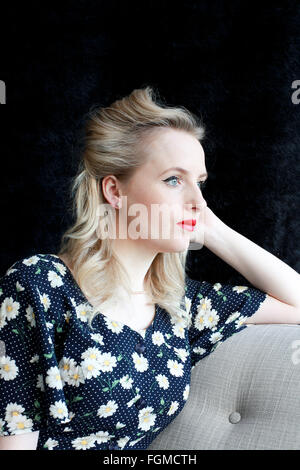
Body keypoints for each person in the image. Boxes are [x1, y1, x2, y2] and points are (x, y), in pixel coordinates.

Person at [1, 87, 299, 450]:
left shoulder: (182, 306)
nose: (197, 200)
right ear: (114, 191)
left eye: (200, 183)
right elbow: (16, 434)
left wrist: (210, 228)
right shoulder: (40, 283)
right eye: (174, 180)